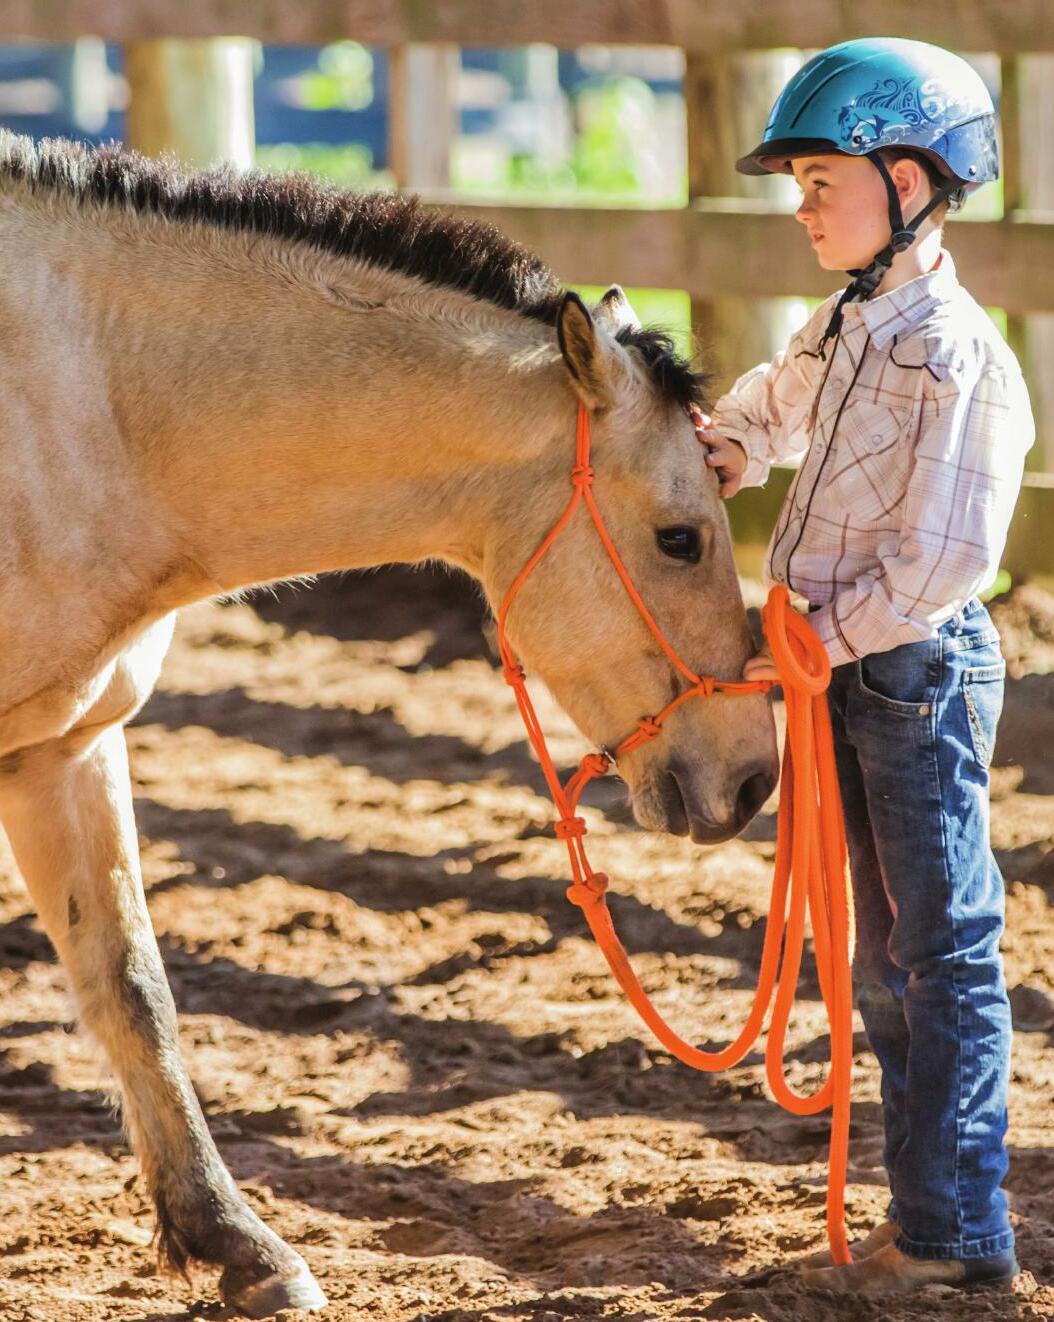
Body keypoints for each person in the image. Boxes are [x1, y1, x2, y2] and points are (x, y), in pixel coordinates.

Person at [695, 37, 1035, 1296]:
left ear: (907, 177)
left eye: (818, 181)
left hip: (911, 672)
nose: (800, 207)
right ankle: (928, 1221)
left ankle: (959, 1234)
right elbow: (780, 402)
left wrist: (813, 642)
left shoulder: (958, 358)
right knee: (880, 950)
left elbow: (944, 564)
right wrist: (727, 444)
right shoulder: (846, 323)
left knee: (938, 949)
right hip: (846, 669)